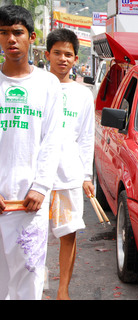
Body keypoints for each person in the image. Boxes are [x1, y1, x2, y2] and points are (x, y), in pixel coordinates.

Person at [0, 5, 63, 300]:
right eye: (3, 33)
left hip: (30, 202)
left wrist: (40, 187)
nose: (11, 39)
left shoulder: (48, 84)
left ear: (31, 37)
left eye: (17, 32)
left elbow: (53, 140)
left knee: (30, 275)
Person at [45, 28, 95, 300]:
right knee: (33, 236)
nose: (62, 59)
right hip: (37, 179)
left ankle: (63, 290)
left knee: (68, 234)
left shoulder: (82, 94)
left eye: (68, 54)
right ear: (46, 55)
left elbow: (86, 138)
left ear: (76, 59)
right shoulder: (37, 86)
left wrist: (86, 175)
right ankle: (35, 282)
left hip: (69, 175)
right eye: (57, 53)